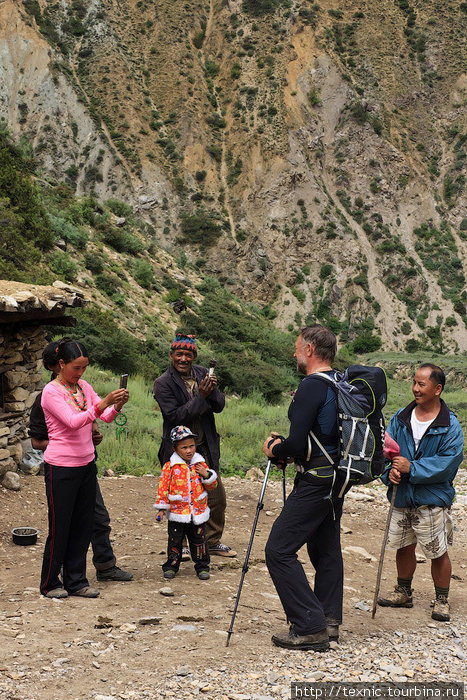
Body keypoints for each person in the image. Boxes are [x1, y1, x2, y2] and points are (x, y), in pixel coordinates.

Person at [262, 324, 346, 652]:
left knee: (278, 550)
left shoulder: (312, 385)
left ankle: (310, 626)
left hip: (316, 480)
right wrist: (292, 449)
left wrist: (275, 448)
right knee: (325, 549)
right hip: (339, 478)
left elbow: (297, 441)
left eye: (297, 348)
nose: (294, 354)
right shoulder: (342, 383)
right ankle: (328, 621)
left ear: (309, 350)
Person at [29, 340, 133, 583]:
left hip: (85, 463)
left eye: (84, 368)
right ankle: (51, 581)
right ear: (60, 365)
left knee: (87, 523)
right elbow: (74, 422)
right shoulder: (51, 392)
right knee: (63, 526)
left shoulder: (83, 386)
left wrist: (116, 406)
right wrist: (103, 404)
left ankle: (77, 580)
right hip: (62, 465)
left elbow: (104, 416)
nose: (80, 373)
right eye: (76, 368)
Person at [377, 363, 463, 622]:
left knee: (437, 550)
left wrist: (411, 468)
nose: (415, 388)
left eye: (421, 384)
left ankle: (442, 599)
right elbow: (385, 451)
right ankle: (403, 591)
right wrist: (389, 474)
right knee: (403, 545)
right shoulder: (400, 418)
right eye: (414, 383)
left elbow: (448, 463)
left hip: (431, 499)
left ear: (437, 389)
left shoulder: (450, 426)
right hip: (402, 496)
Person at [153, 333, 236, 557]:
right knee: (181, 499)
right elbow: (176, 417)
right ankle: (182, 545)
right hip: (179, 452)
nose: (183, 359)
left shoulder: (202, 373)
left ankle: (211, 541)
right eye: (178, 354)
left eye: (188, 355)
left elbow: (218, 406)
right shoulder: (162, 383)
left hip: (205, 446)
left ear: (194, 356)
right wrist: (201, 395)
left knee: (216, 497)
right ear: (171, 355)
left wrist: (213, 391)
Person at [155, 426, 217, 580]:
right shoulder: (170, 467)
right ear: (175, 449)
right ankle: (171, 565)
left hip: (197, 511)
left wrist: (206, 474)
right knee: (175, 541)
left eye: (191, 446)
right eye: (184, 447)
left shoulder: (200, 465)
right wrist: (162, 508)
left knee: (199, 541)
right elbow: (163, 488)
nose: (189, 450)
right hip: (177, 512)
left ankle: (202, 566)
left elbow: (212, 486)